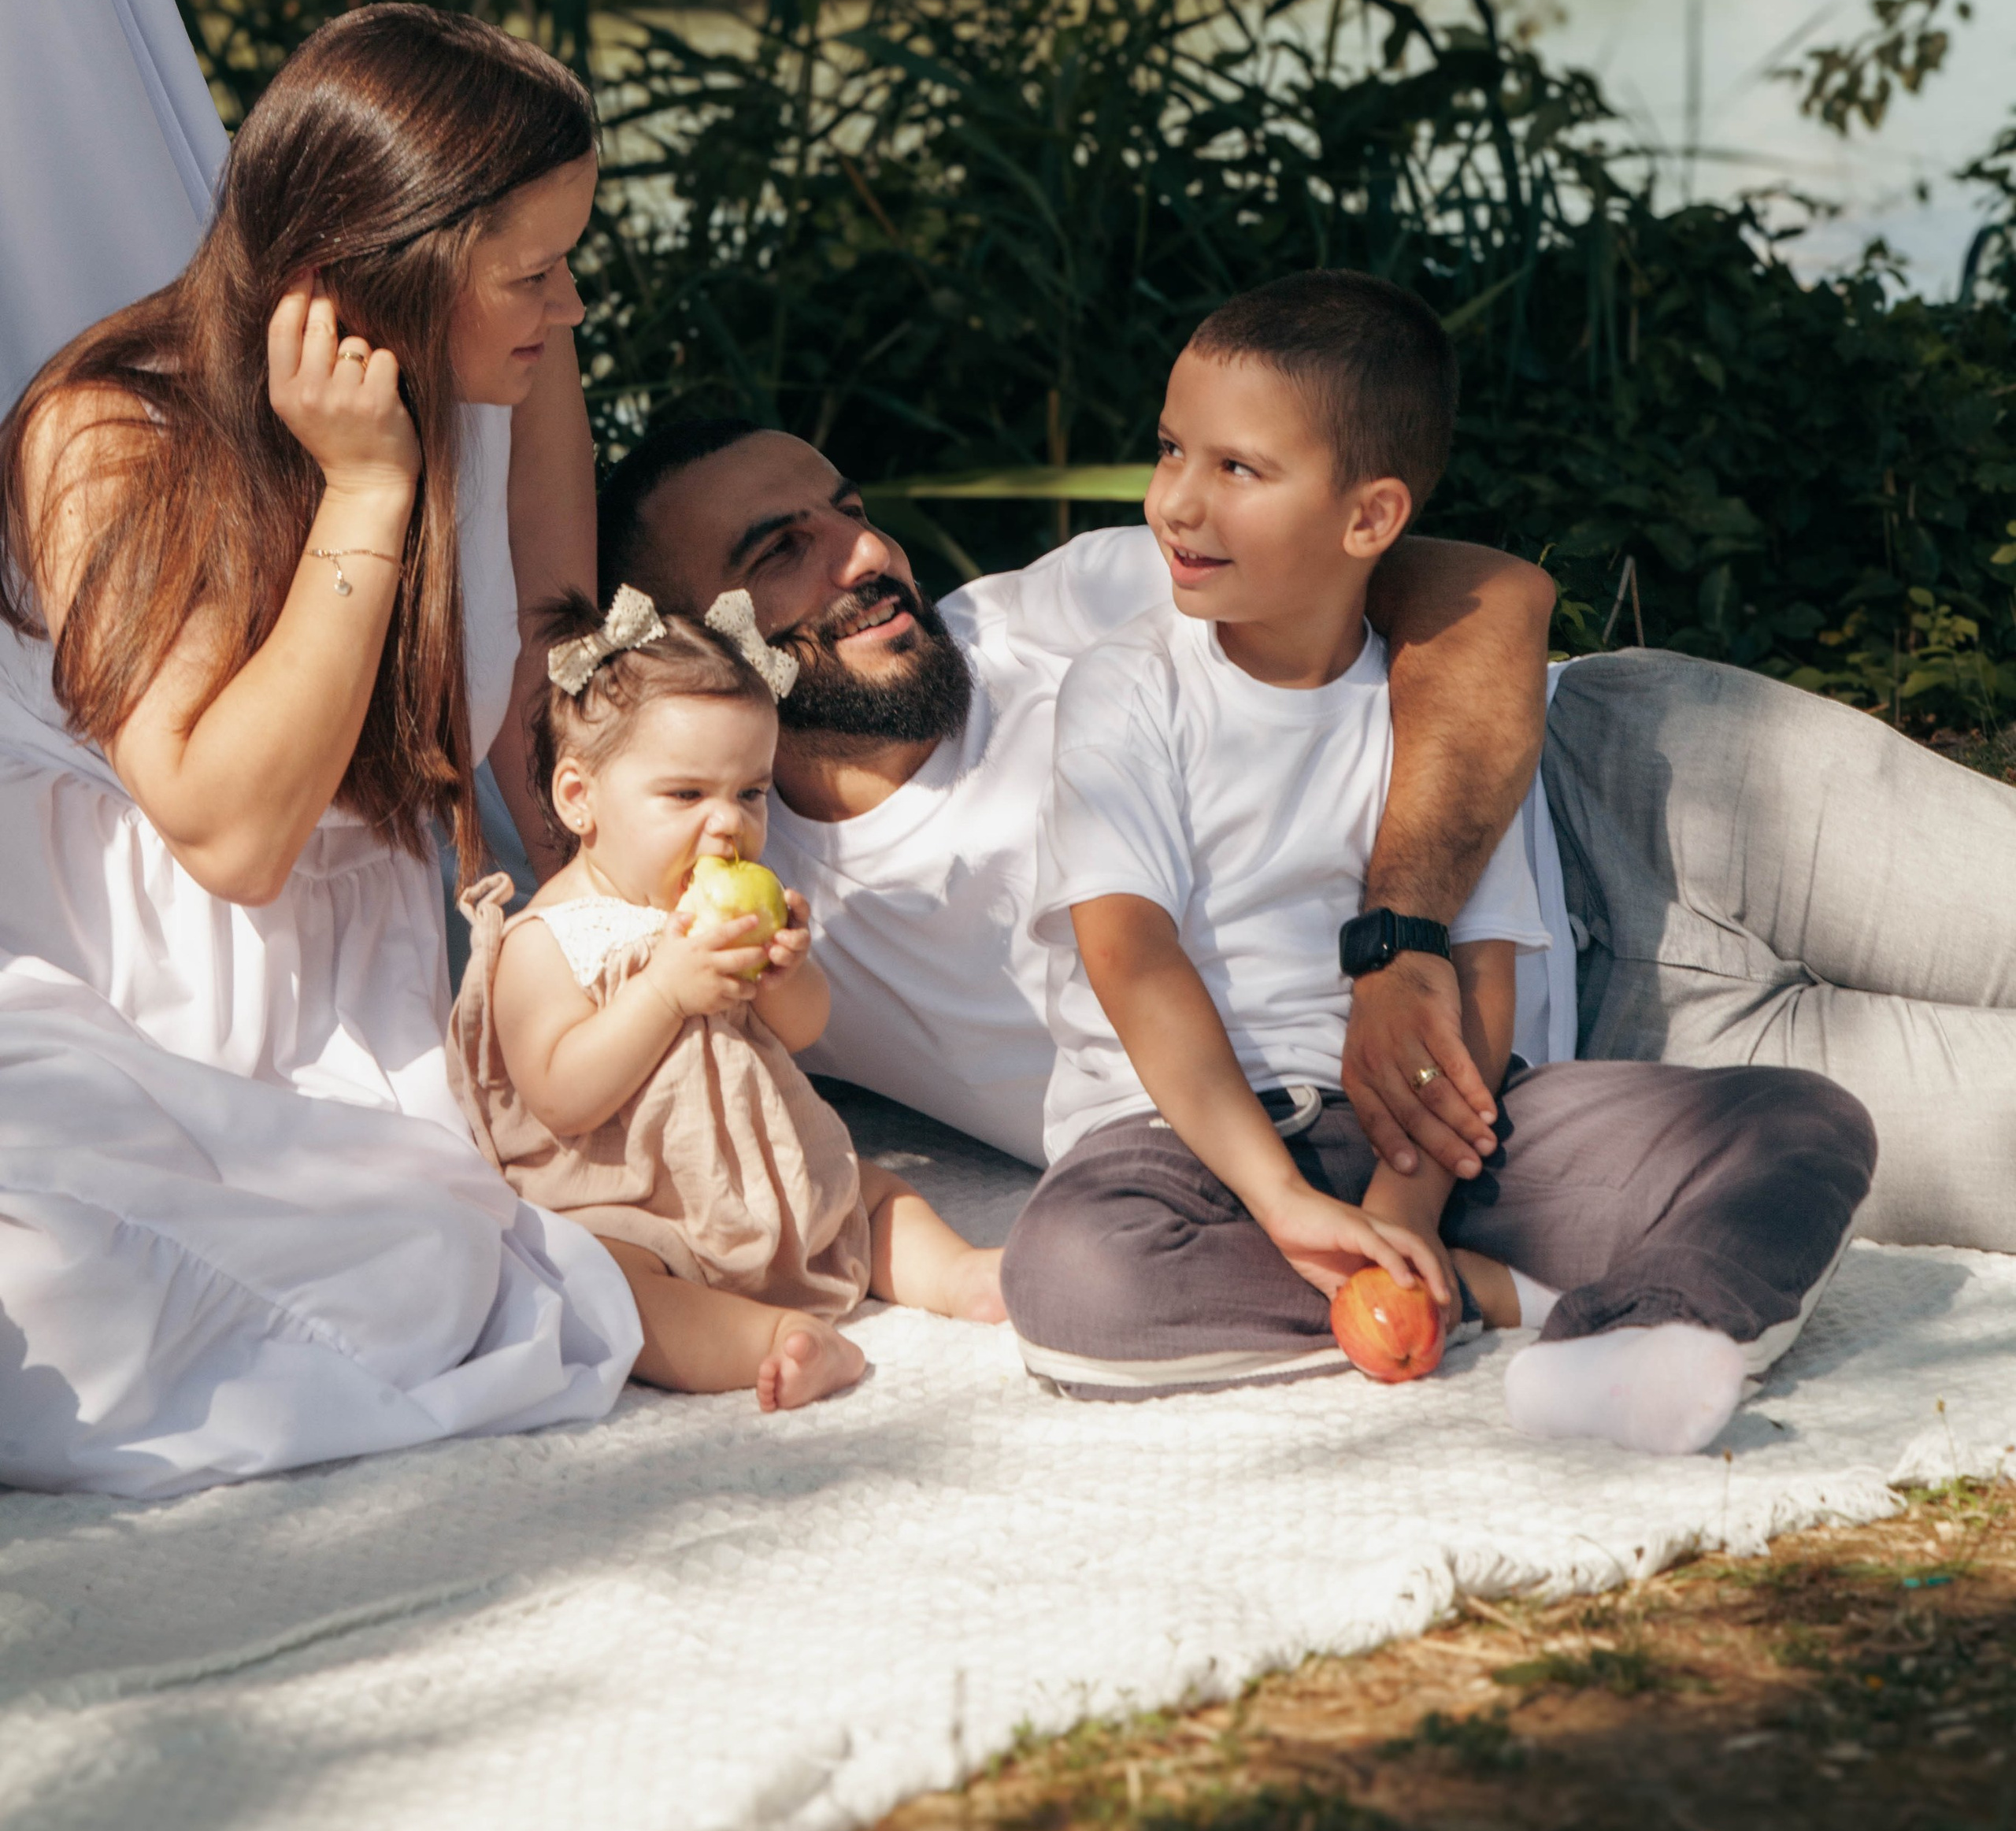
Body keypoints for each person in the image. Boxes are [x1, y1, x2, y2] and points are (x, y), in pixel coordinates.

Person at [997, 272, 1877, 1452]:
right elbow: (1129, 951)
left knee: (1804, 1121)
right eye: (1169, 451)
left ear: (1369, 520)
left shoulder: (1441, 702)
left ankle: (1653, 1335)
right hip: (1191, 1149)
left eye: (1237, 470)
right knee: (1073, 1282)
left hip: (1438, 1131)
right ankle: (1503, 1298)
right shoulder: (1130, 682)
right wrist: (1289, 1205)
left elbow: (1482, 970)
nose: (1177, 505)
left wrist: (1402, 1200)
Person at [0, 6, 641, 1499]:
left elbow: (552, 705)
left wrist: (620, 951)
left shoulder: (519, 381)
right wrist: (365, 491)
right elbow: (229, 837)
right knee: (77, 1260)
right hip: (113, 988)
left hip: (358, 1007)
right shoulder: (109, 432)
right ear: (375, 277)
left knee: (429, 1257)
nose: (568, 310)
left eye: (568, 263)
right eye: (530, 274)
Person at [598, 417, 1562, 1173]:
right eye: (780, 551)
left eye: (852, 512)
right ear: (681, 641)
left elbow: (1488, 594)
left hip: (1595, 797)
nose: (867, 556)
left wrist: (1404, 939)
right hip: (1518, 1109)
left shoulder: (1059, 612)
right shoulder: (734, 891)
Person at [450, 585, 1006, 1411]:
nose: (728, 827)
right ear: (579, 799)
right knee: (606, 1285)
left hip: (760, 1177)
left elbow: (805, 1030)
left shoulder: (718, 908)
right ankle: (775, 1343)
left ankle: (963, 1276)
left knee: (869, 1190)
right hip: (636, 1206)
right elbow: (561, 1097)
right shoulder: (546, 939)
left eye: (749, 793)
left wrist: (788, 974)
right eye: (685, 795)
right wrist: (665, 993)